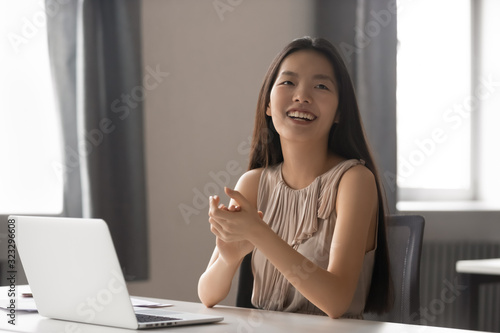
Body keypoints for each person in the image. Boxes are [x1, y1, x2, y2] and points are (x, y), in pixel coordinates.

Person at [197, 36, 393, 319]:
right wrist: (228, 260)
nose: (302, 96)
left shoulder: (354, 181)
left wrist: (259, 234)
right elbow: (207, 295)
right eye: (288, 82)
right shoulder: (253, 183)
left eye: (321, 86)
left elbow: (336, 302)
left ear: (339, 113)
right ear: (267, 103)